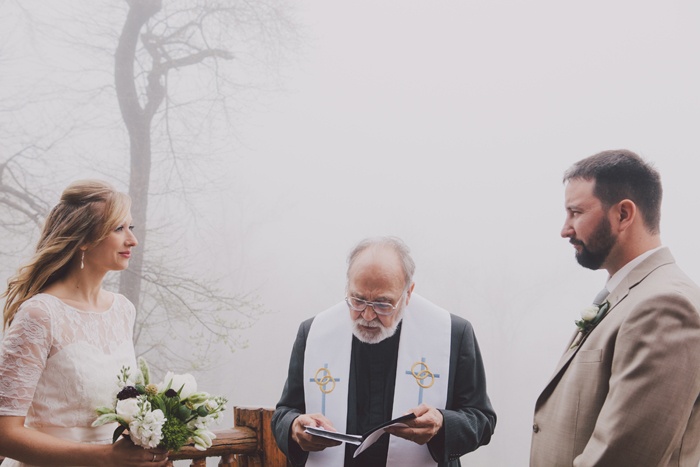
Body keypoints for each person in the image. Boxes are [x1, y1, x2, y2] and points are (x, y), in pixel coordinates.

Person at [530, 150, 700, 466]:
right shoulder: (626, 295)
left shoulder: (664, 305)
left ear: (623, 214)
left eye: (576, 212)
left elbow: (622, 457)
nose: (565, 230)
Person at [272, 236, 496, 466]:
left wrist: (442, 423)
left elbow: (482, 419)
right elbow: (284, 413)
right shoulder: (313, 333)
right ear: (347, 286)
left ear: (408, 294)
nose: (368, 316)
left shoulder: (453, 334)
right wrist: (294, 426)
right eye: (358, 300)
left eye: (382, 304)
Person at [0, 180, 170, 466]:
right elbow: (4, 434)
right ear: (84, 239)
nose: (132, 240)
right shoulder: (40, 314)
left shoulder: (123, 310)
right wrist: (104, 457)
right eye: (119, 229)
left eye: (132, 228)